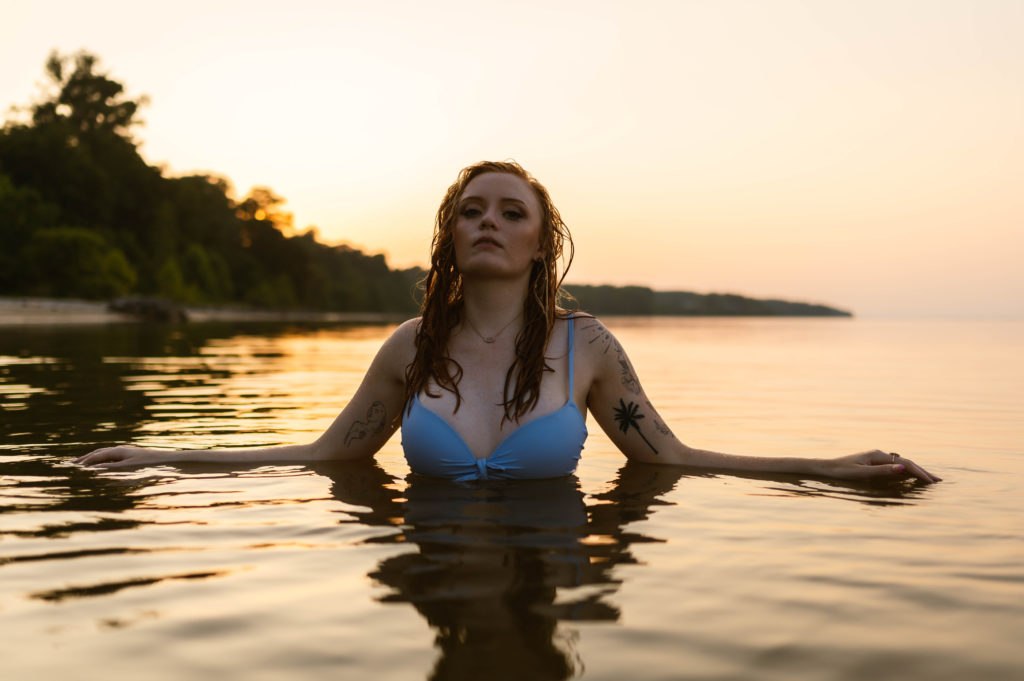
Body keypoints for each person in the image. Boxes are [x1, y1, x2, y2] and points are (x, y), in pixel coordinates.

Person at [75, 161, 940, 484]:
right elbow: (323, 455)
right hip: (435, 585)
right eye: (472, 210)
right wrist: (163, 454)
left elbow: (672, 458)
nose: (490, 221)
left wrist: (829, 467)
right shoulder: (411, 348)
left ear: (540, 241)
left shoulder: (586, 347)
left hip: (546, 578)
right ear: (449, 236)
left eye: (511, 212)